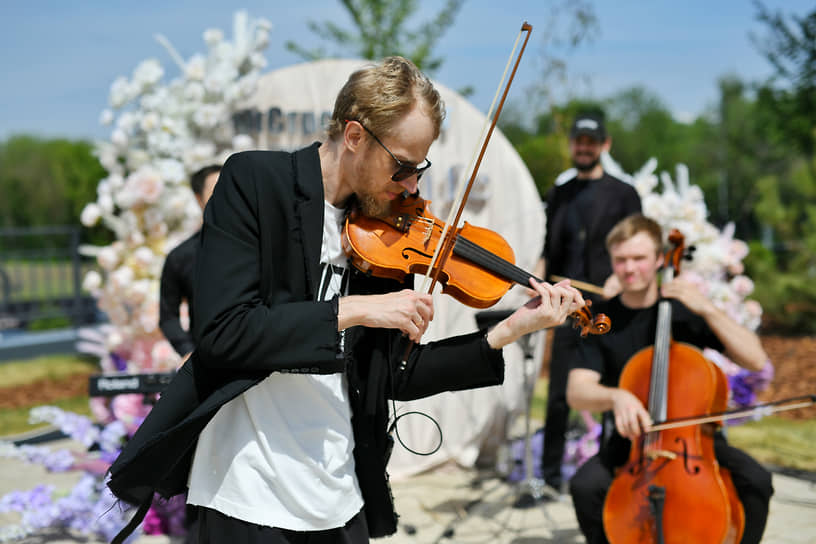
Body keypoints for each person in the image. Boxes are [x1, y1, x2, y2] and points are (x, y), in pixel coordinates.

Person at [107, 56, 586, 544]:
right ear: (354, 136)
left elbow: (395, 376)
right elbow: (223, 332)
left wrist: (510, 330)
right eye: (401, 167)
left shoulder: (381, 236)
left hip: (338, 488)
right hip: (245, 486)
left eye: (419, 169)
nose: (412, 186)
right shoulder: (254, 183)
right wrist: (353, 310)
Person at [567, 214, 774, 544]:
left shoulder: (685, 310)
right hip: (631, 441)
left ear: (661, 259)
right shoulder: (602, 320)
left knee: (757, 481)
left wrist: (708, 309)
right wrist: (615, 397)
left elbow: (756, 359)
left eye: (639, 258)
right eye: (621, 260)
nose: (629, 268)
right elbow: (577, 391)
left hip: (694, 441)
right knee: (585, 487)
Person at [535, 111, 642, 492]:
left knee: (615, 391)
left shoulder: (624, 193)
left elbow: (635, 246)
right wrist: (535, 278)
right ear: (572, 144)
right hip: (568, 308)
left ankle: (619, 471)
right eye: (578, 140)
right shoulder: (560, 194)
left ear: (604, 145)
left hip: (610, 309)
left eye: (591, 141)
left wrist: (619, 278)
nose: (584, 147)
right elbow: (550, 249)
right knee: (560, 394)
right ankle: (549, 477)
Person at [158, 164, 221, 358]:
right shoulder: (180, 257)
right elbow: (168, 316)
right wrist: (187, 352)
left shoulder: (261, 247)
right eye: (217, 192)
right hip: (208, 362)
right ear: (198, 199)